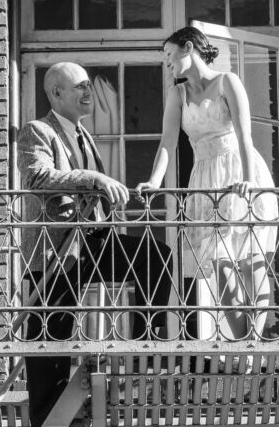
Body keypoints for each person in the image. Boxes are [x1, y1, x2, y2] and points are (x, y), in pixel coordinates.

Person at [17, 62, 172, 427]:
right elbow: (37, 177)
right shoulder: (37, 131)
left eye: (90, 85)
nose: (89, 92)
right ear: (57, 93)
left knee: (154, 257)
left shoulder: (84, 134)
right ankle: (46, 417)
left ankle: (143, 351)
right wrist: (95, 177)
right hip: (54, 248)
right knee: (50, 335)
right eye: (80, 86)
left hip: (92, 239)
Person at [136, 27, 278, 347]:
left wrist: (248, 181)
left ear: (188, 48)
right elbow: (167, 143)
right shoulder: (178, 94)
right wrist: (155, 181)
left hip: (240, 172)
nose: (168, 64)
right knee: (220, 265)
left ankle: (256, 341)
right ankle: (245, 347)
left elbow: (245, 136)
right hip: (205, 180)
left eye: (170, 55)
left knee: (250, 260)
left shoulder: (228, 81)